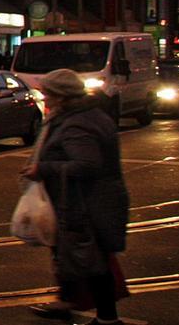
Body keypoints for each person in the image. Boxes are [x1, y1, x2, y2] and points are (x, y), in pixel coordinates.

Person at [24, 68, 129, 324]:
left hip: (86, 203)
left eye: (47, 94)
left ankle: (107, 319)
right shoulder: (86, 115)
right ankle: (70, 303)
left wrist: (43, 168)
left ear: (61, 97)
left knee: (91, 261)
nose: (44, 99)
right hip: (82, 201)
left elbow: (87, 164)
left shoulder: (77, 123)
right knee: (76, 255)